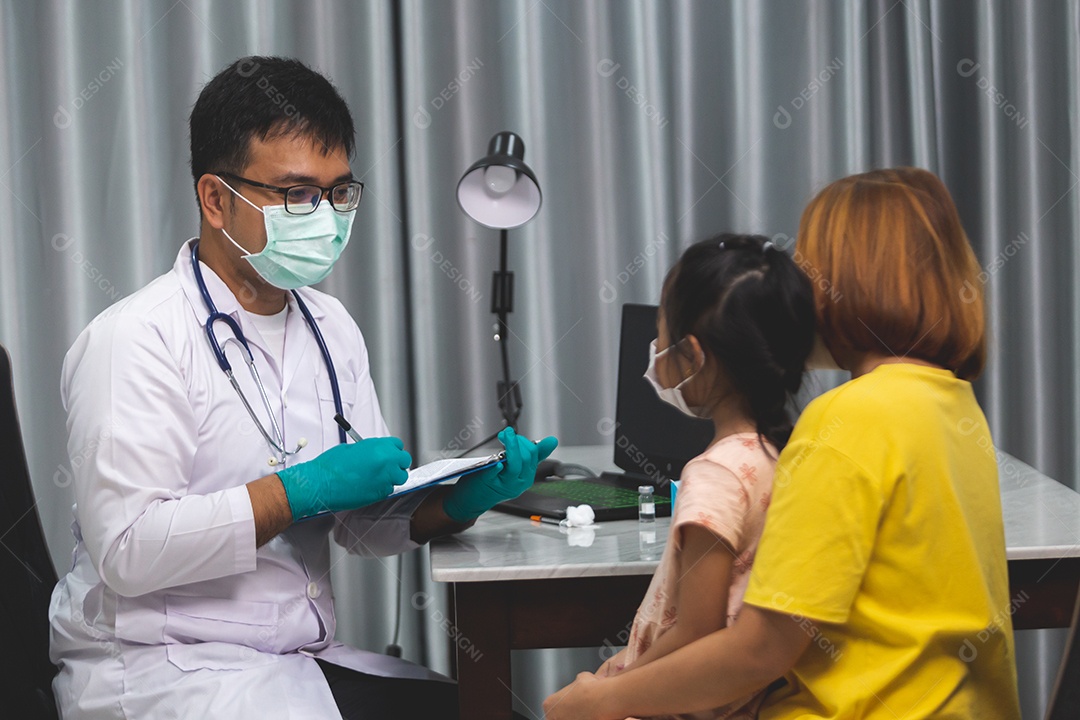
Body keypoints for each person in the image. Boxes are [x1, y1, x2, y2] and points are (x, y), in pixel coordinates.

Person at [48, 56, 557, 720]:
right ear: (215, 197)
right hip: (161, 671)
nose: (323, 216)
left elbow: (365, 528)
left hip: (285, 665)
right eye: (296, 194)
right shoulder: (134, 340)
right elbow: (129, 552)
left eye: (338, 191)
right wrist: (298, 490)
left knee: (494, 712)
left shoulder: (329, 327)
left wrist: (462, 500)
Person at [543, 168, 1022, 719]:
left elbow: (759, 650)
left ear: (849, 280)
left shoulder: (850, 418)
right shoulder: (952, 404)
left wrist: (600, 700)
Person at [596, 234, 815, 720]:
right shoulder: (788, 457)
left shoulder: (714, 475)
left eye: (661, 335)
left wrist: (609, 695)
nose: (655, 353)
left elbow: (697, 628)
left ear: (693, 356)